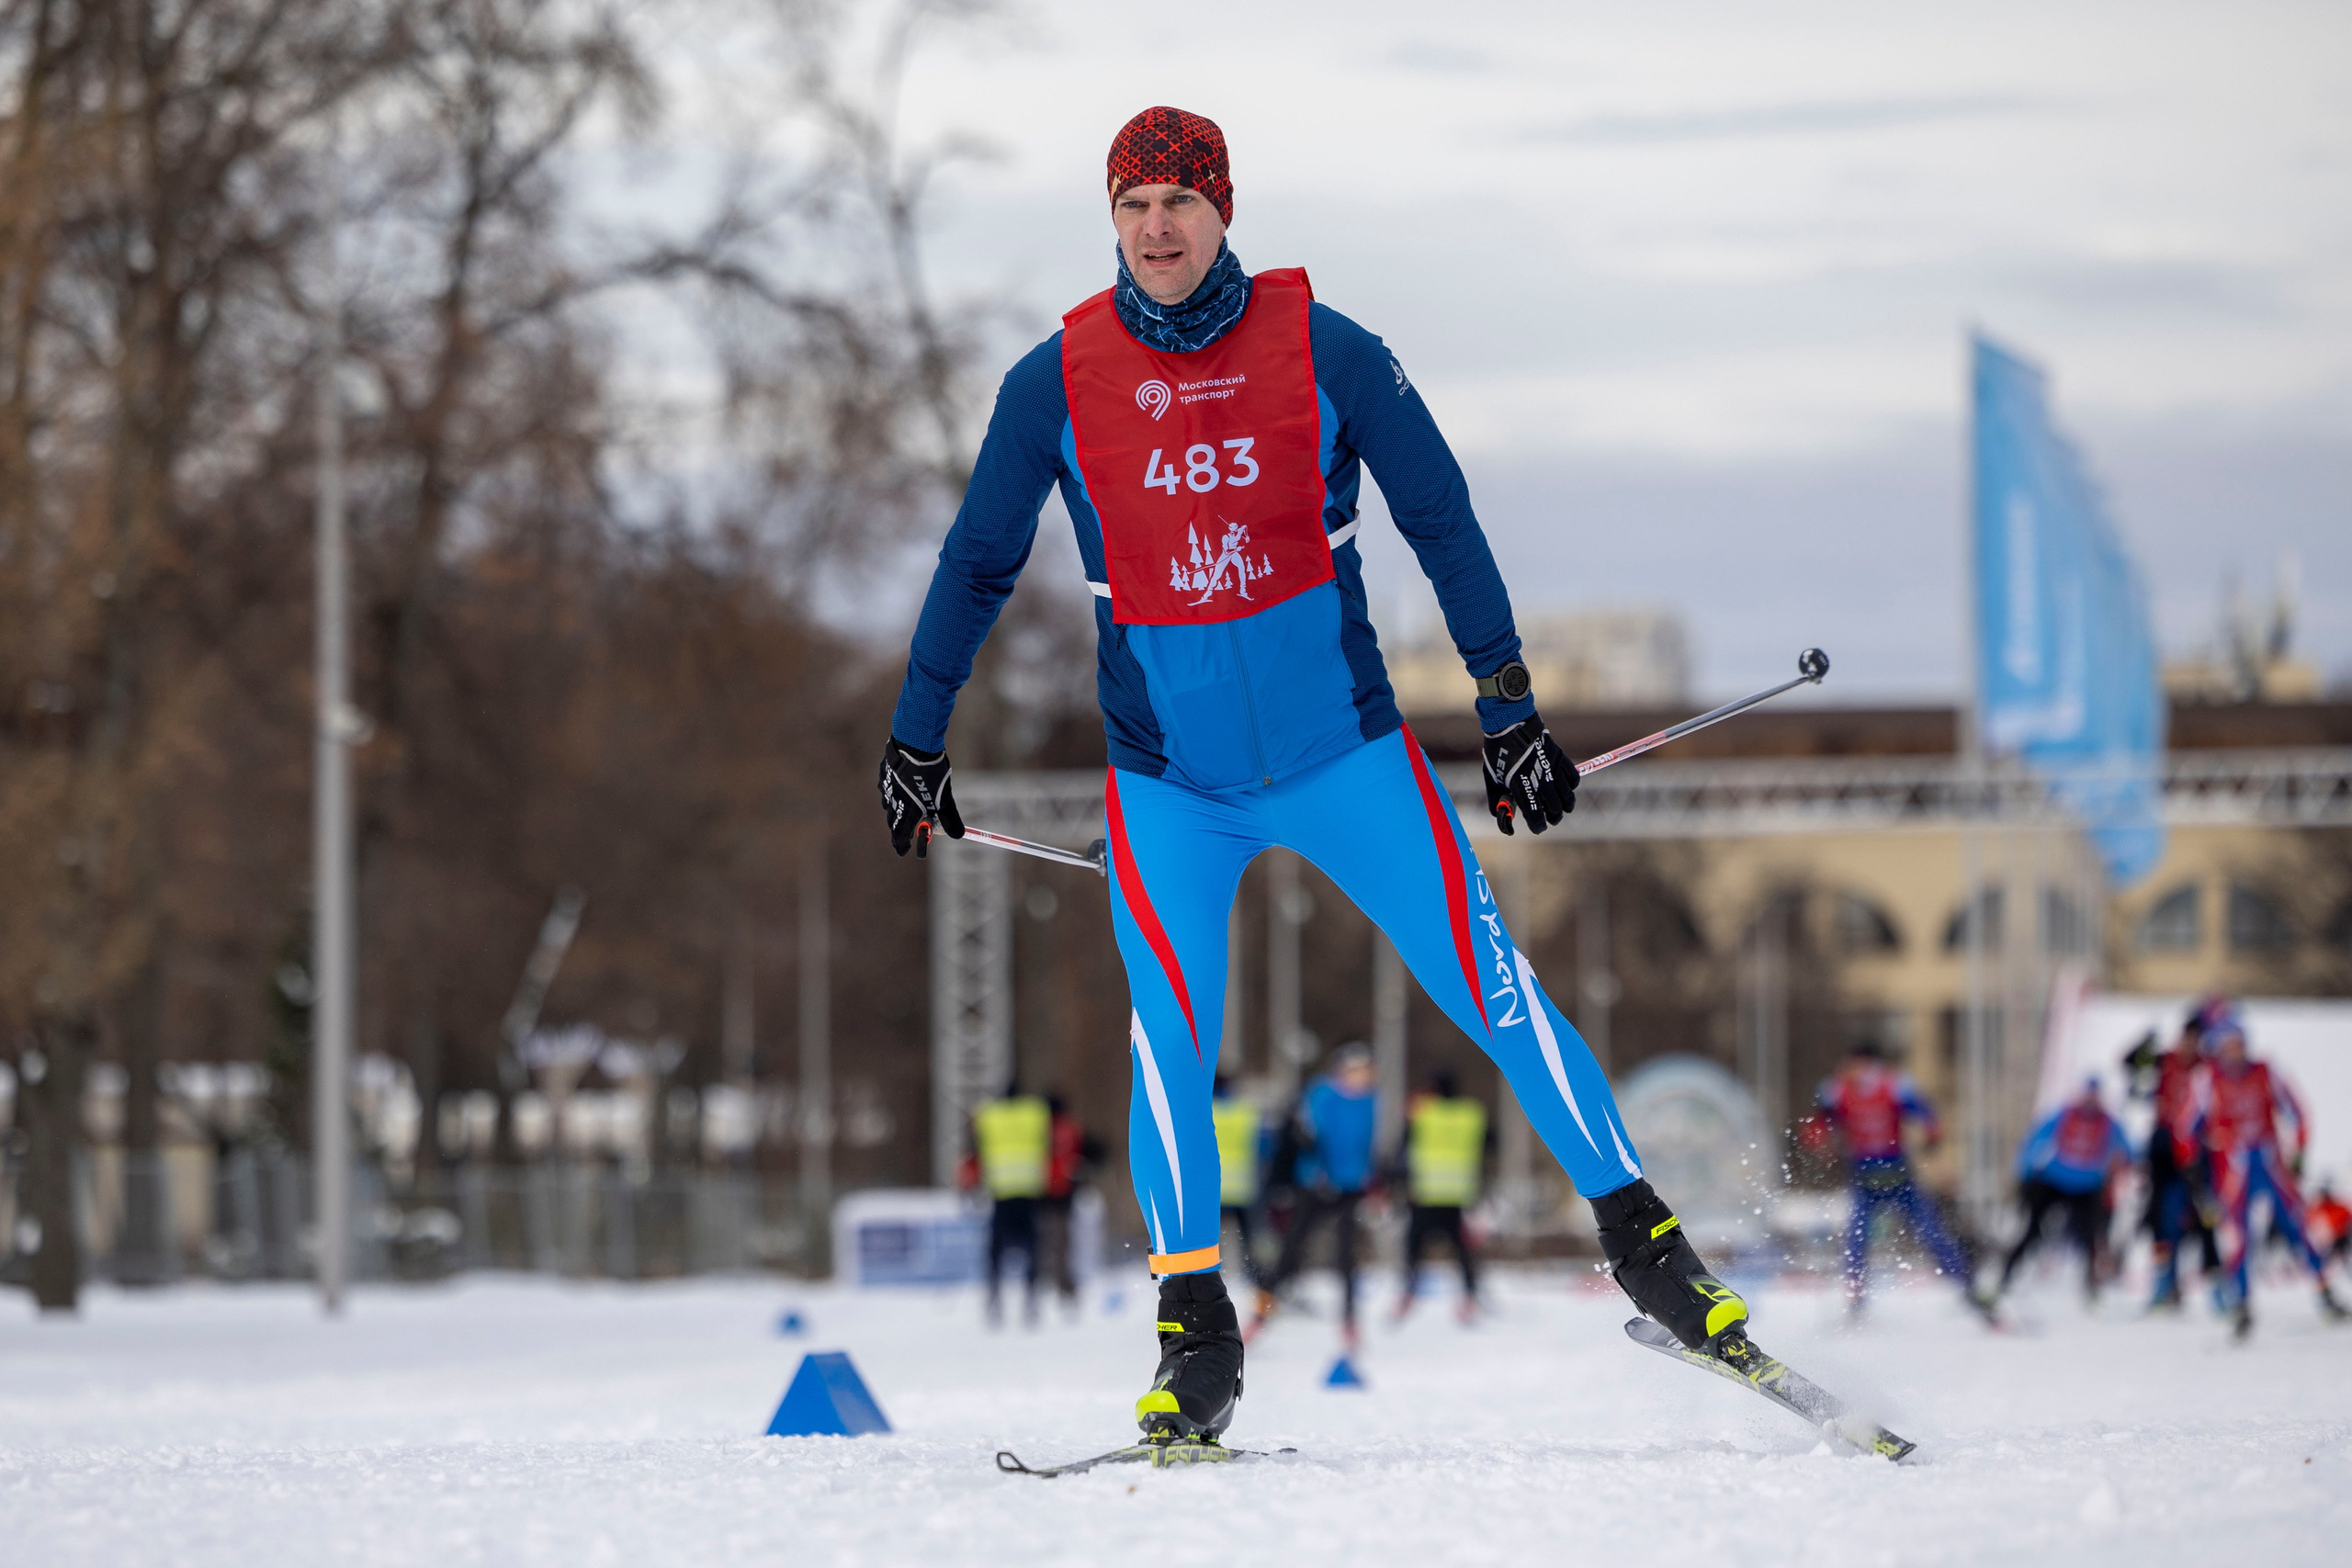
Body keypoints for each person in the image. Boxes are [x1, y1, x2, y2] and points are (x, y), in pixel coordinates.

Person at [876, 106, 1747, 1448]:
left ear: (1224, 209)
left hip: (1347, 754)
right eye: (1132, 204)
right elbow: (975, 561)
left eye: (1180, 199)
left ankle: (1652, 1251)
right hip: (1170, 782)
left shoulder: (1326, 348)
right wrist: (915, 732)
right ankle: (1194, 1338)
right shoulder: (1054, 380)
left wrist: (1507, 705)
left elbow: (1441, 513)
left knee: (1495, 986)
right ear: (1110, 219)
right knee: (1167, 1040)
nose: (1156, 227)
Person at [1814, 1042, 1992, 1320]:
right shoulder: (1837, 1090)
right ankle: (1855, 1295)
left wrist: (1933, 1135)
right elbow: (1819, 1123)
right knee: (1856, 1235)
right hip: (1864, 1179)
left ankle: (1968, 1286)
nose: (1851, 1071)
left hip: (1898, 1178)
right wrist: (1820, 1140)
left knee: (1931, 1232)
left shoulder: (1893, 1086)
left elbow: (1928, 1115)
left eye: (1856, 1064)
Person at [2193, 1020, 2346, 1337]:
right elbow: (2188, 1131)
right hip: (2234, 1173)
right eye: (2228, 1047)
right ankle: (2242, 1306)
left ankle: (2326, 1293)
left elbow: (2298, 1111)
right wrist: (2196, 1172)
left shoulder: (2265, 1071)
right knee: (2237, 1238)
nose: (2234, 1053)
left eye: (2239, 1045)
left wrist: (2299, 1153)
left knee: (2298, 1230)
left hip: (2272, 1166)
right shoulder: (2208, 1079)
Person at [1253, 1044, 1381, 1347]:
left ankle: (1349, 1320)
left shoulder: (1371, 1100)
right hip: (1317, 1182)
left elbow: (1367, 1143)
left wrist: (1374, 1179)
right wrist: (1320, 1170)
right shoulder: (1322, 1093)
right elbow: (1311, 1135)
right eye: (1357, 1071)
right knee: (1293, 1248)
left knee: (1348, 1252)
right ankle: (1262, 1312)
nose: (1362, 1078)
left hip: (1351, 1184)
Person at [1996, 1078, 2132, 1303]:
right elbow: (2036, 1138)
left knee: (2092, 1238)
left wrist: (2124, 1166)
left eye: (2095, 1096)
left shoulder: (2108, 1123)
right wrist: (2026, 1171)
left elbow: (2127, 1148)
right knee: (2031, 1231)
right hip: (2055, 1181)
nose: (2091, 1101)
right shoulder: (2065, 1115)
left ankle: (2091, 1288)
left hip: (2087, 1187)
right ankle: (2005, 1279)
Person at [2133, 1009, 2223, 1311]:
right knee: (2160, 1218)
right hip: (2163, 1148)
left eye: (2195, 1040)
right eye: (2186, 1039)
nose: (2189, 1046)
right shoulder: (2164, 1060)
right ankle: (2164, 1284)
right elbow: (2130, 1064)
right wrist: (2144, 1045)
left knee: (2205, 1216)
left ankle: (2218, 1287)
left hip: (2196, 1151)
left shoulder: (2209, 1068)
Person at [1392, 1067, 1492, 1322]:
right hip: (1459, 1194)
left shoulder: (1423, 1113)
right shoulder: (1471, 1114)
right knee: (1463, 1253)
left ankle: (1408, 1292)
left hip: (1426, 1193)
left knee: (1413, 1246)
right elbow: (1490, 1142)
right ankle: (1469, 1297)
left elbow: (1403, 1147)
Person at [965, 1086, 1051, 1326]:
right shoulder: (1034, 1112)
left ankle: (994, 1297)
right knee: (1032, 1249)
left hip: (1000, 1192)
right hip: (1029, 1191)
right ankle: (1031, 1299)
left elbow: (971, 1143)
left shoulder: (989, 1114)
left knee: (995, 1251)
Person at [1035, 1092, 1105, 1316]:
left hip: (1044, 1192)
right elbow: (1087, 1151)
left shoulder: (1039, 1129)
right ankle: (1064, 1286)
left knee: (1051, 1243)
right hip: (1065, 1192)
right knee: (1063, 1243)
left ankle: (1054, 1286)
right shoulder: (1071, 1128)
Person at [1211, 1074, 1267, 1284]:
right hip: (1243, 1187)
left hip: (1213, 1190)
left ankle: (1210, 1275)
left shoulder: (1205, 1111)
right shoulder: (1246, 1111)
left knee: (1210, 1239)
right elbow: (1264, 1147)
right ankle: (1253, 1275)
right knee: (1248, 1238)